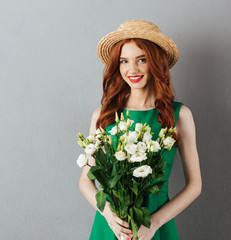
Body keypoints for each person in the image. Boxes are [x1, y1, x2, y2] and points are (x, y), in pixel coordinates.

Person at [79, 20, 202, 240]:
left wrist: (154, 223)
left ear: (156, 63)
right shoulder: (103, 116)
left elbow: (195, 185)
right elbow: (85, 181)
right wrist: (108, 215)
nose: (132, 69)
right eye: (124, 61)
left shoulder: (179, 115)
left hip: (156, 226)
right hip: (111, 227)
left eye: (141, 60)